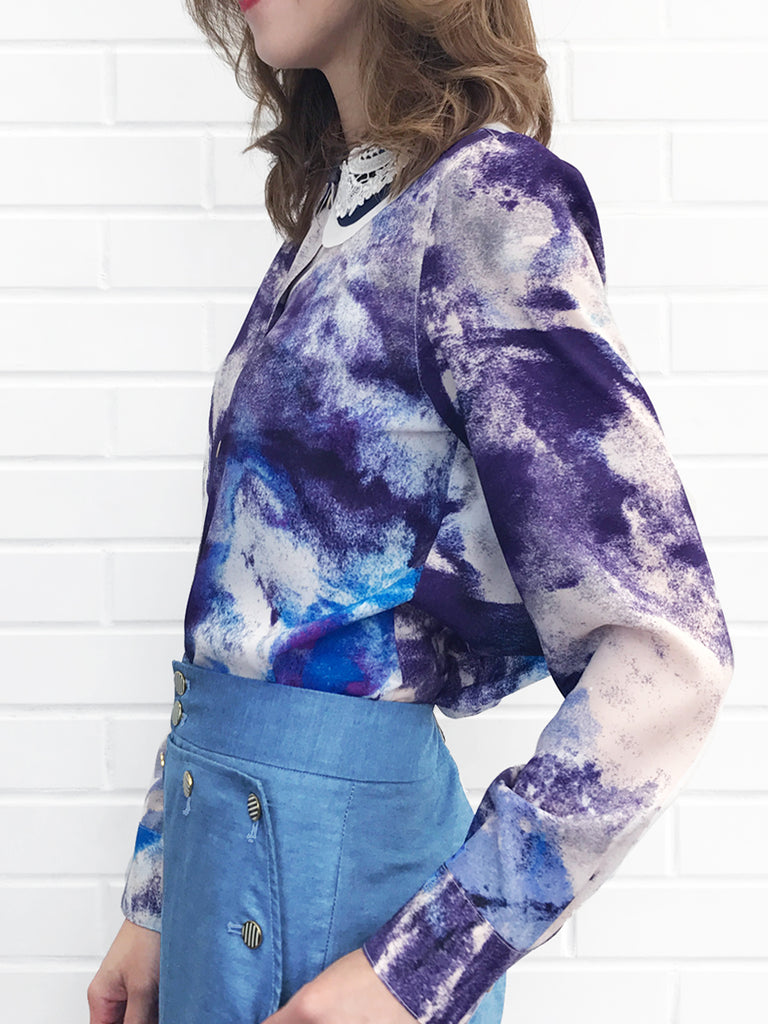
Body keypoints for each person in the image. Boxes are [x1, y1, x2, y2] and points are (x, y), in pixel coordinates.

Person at [87, 2, 734, 1023]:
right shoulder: (343, 214)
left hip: (336, 903)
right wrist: (160, 890)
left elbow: (668, 655)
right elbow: (248, 602)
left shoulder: (488, 203)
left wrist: (421, 967)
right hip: (225, 862)